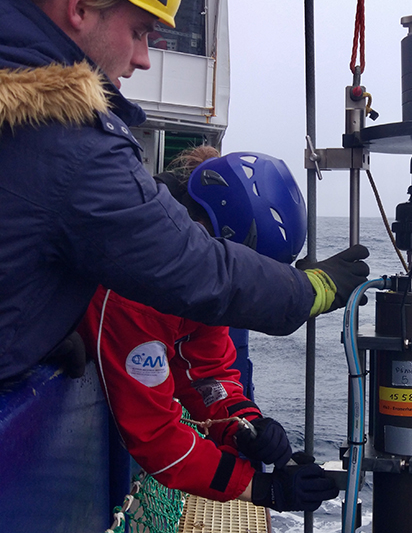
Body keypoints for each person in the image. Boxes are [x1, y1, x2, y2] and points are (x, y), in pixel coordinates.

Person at [0, 0, 369, 383]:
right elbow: (195, 269)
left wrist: (38, 325)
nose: (143, 58)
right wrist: (311, 289)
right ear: (80, 6)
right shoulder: (70, 141)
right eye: (139, 31)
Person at [79, 147, 338, 513]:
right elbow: (154, 434)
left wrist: (246, 426)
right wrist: (262, 489)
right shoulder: (134, 289)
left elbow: (207, 374)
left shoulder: (199, 283)